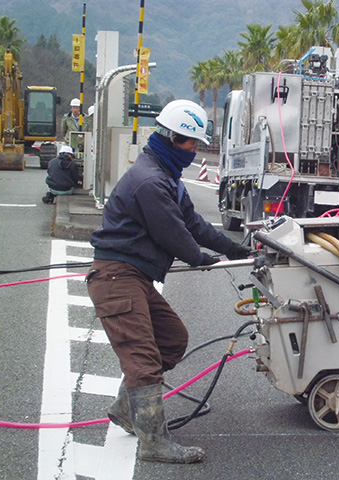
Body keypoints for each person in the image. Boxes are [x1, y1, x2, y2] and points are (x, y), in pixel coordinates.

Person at [85, 99, 251, 464]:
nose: (195, 151)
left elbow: (193, 225)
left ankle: (128, 410)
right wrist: (200, 258)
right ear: (173, 138)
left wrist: (234, 249)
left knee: (173, 339)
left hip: (136, 277)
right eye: (192, 144)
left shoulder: (167, 177)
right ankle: (152, 442)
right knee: (142, 360)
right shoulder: (149, 180)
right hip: (116, 277)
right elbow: (172, 233)